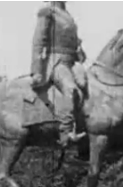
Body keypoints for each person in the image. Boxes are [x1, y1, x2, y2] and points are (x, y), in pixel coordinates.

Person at [30, 1, 87, 148]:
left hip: (72, 62)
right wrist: (37, 70)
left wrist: (80, 51)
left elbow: (74, 42)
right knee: (71, 89)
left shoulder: (67, 15)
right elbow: (38, 41)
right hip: (56, 61)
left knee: (89, 85)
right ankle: (65, 132)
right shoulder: (47, 11)